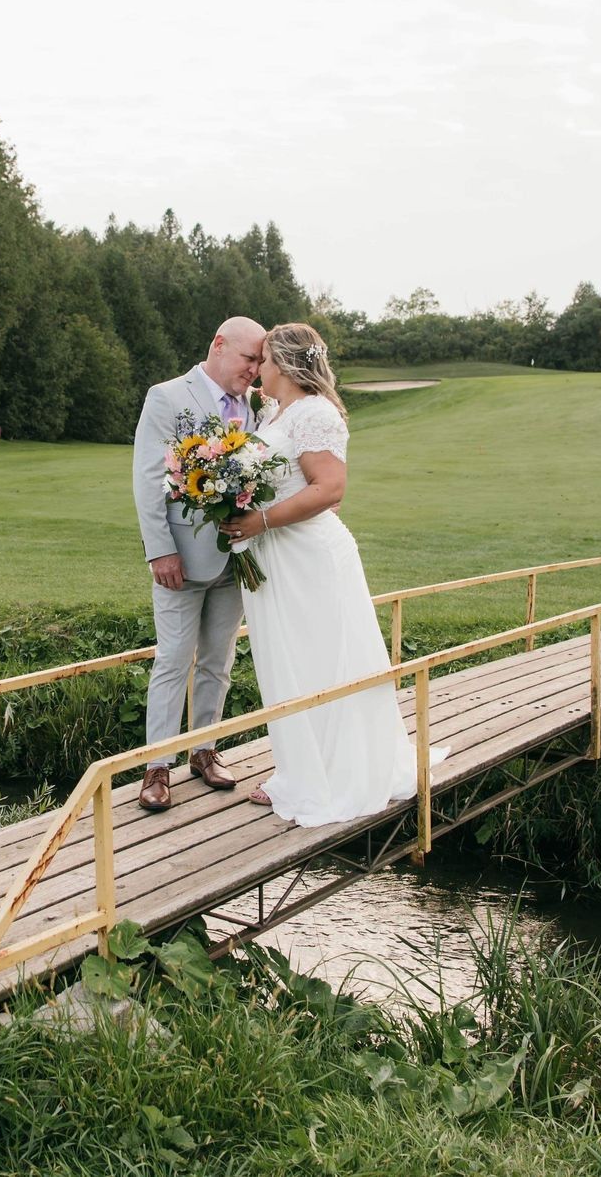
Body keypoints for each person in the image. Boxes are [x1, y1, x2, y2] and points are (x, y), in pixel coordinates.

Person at [218, 322, 445, 826]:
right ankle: (302, 767)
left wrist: (259, 520)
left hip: (308, 559)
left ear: (288, 365)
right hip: (277, 558)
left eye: (266, 360)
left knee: (321, 659)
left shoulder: (315, 413)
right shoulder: (278, 411)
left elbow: (329, 489)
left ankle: (331, 776)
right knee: (290, 661)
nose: (259, 369)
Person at [130, 316, 268, 810]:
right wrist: (160, 548)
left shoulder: (253, 407)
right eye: (249, 358)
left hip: (235, 560)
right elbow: (149, 479)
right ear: (218, 345)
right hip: (180, 560)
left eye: (260, 362)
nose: (254, 370)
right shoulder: (167, 396)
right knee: (172, 661)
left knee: (219, 660)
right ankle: (157, 767)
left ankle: (205, 752)